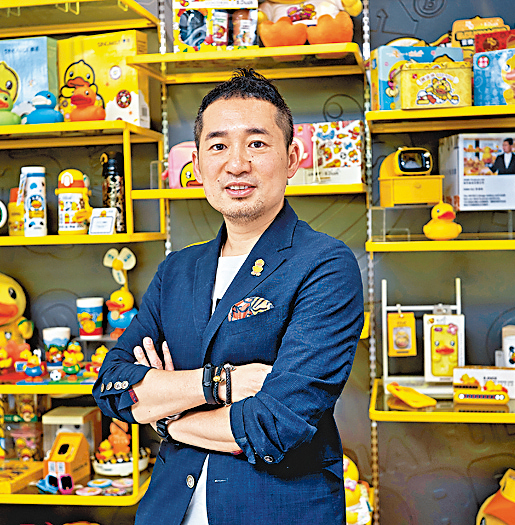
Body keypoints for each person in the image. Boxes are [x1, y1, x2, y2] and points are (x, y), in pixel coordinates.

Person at [93, 67, 364, 524]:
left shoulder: (325, 265)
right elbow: (113, 386)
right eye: (218, 146)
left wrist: (168, 417)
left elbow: (275, 425)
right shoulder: (177, 270)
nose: (236, 164)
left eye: (256, 143)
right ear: (198, 166)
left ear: (292, 158)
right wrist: (219, 385)